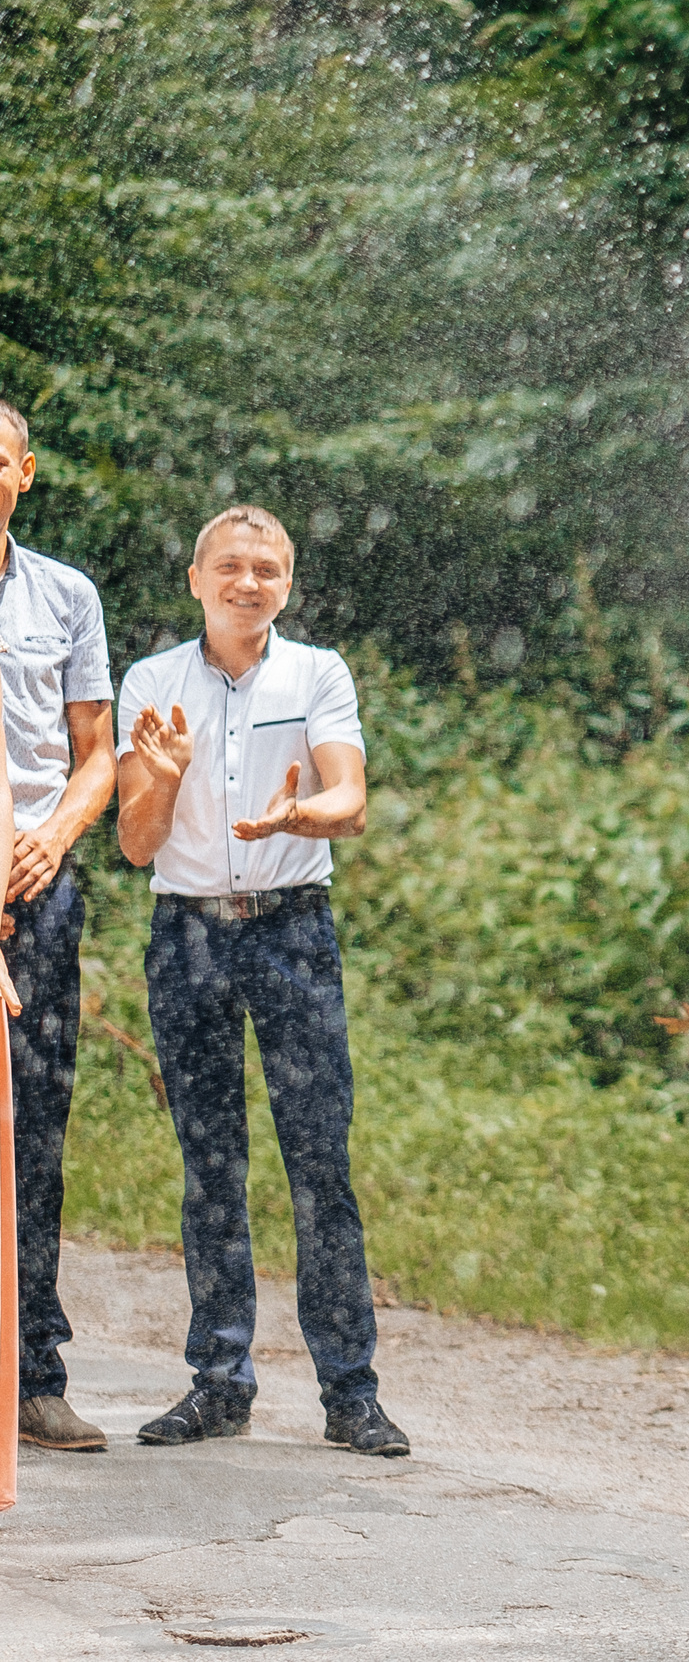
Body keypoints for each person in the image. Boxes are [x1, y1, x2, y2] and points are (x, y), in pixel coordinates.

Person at [114, 505, 407, 1456]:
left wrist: (297, 816)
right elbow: (134, 842)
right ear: (195, 580)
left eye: (267, 570)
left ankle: (350, 1390)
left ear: (289, 584)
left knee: (321, 1162)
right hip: (188, 934)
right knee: (211, 1166)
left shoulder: (315, 670)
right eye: (230, 567)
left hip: (291, 933)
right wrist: (161, 775)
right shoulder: (153, 682)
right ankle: (219, 1380)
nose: (249, 583)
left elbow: (349, 799)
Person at [0, 401, 117, 1457]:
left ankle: (33, 1378)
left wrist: (54, 838)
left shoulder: (64, 596)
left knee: (34, 1136)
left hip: (34, 894)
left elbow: (98, 754)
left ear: (25, 472)